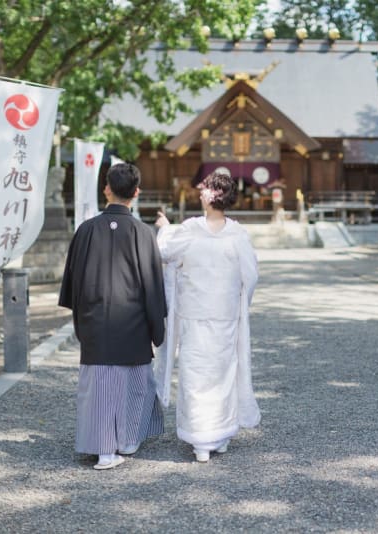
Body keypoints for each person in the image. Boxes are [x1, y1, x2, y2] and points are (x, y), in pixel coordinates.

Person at [59, 163, 167, 470]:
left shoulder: (86, 230)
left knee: (99, 385)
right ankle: (126, 441)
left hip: (95, 319)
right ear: (136, 193)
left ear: (106, 189)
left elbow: (73, 281)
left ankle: (102, 446)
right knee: (134, 381)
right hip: (132, 321)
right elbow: (153, 285)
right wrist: (156, 324)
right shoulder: (143, 233)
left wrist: (83, 314)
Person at [154, 170, 260, 463]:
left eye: (204, 189)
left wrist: (164, 227)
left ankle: (202, 439)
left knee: (195, 374)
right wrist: (240, 304)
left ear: (213, 195)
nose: (199, 193)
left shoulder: (190, 230)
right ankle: (220, 434)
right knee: (222, 373)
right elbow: (250, 277)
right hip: (224, 315)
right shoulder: (237, 234)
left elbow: (165, 251)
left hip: (194, 314)